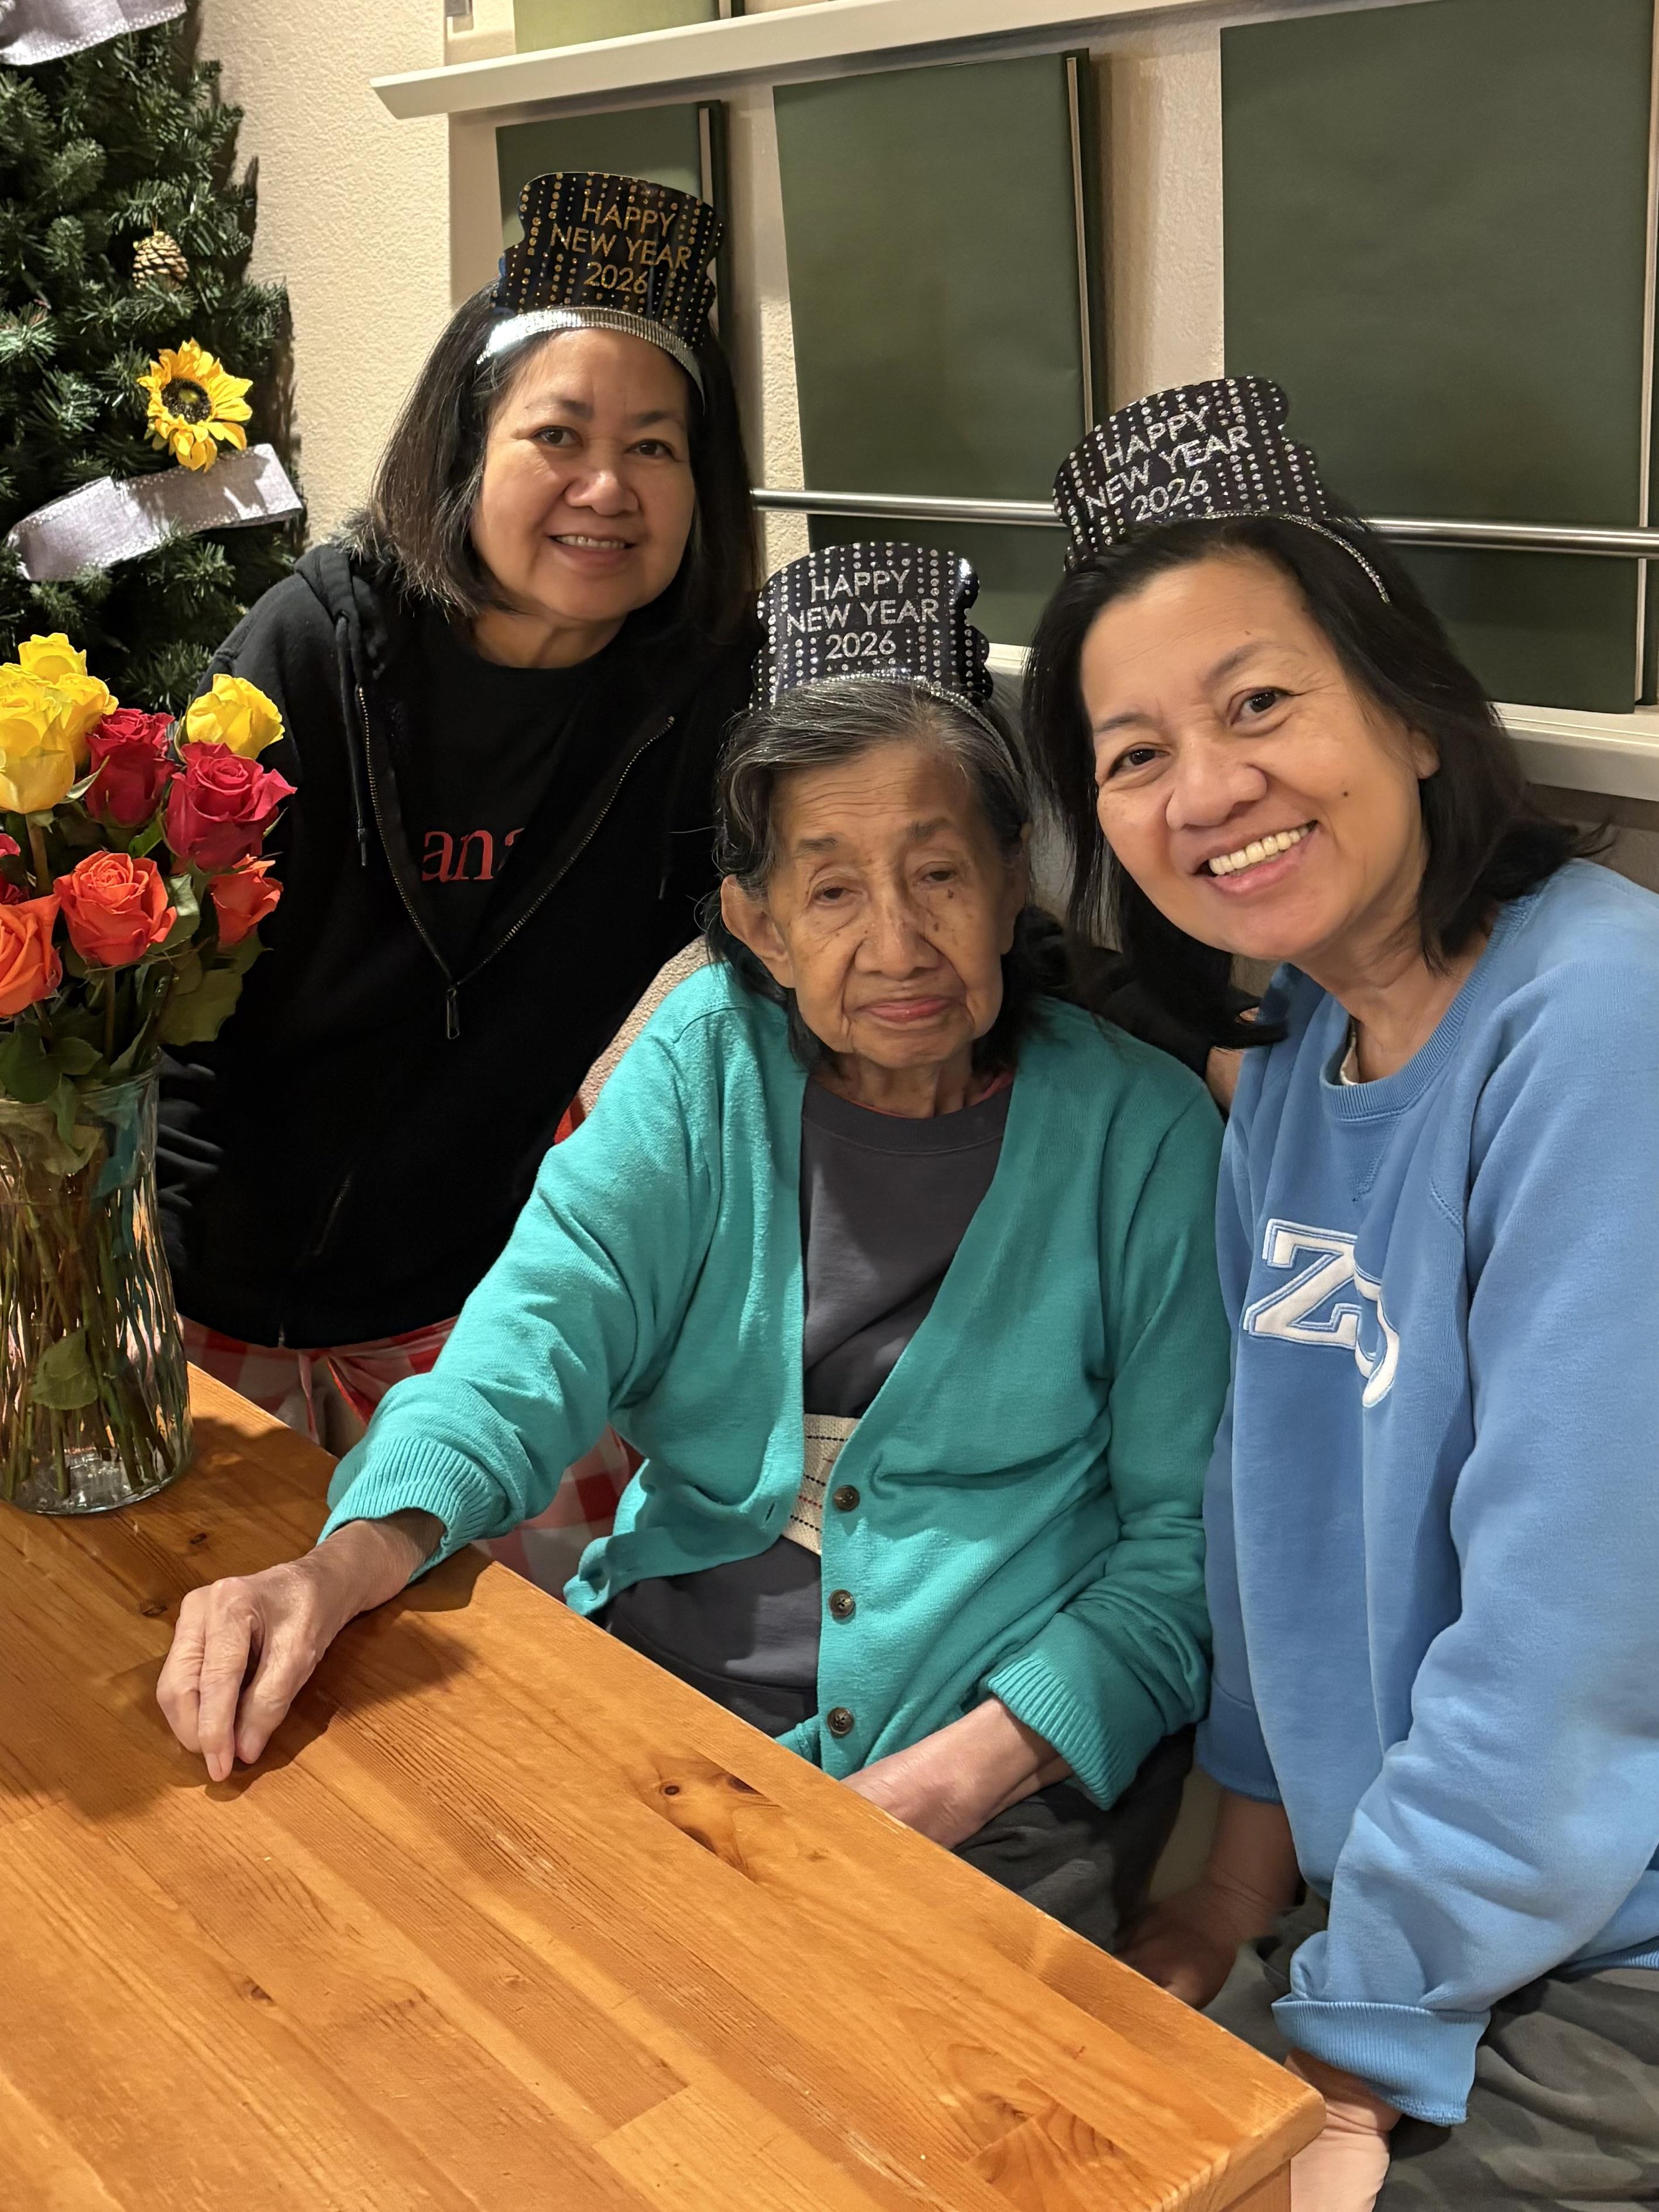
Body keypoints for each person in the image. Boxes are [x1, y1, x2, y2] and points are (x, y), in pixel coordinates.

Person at [157, 540, 1229, 1946]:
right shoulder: (698, 1072)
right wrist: (334, 1565)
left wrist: (957, 1776)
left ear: (1010, 882)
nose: (897, 942)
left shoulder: (1139, 1133)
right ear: (756, 923)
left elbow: (1178, 1556)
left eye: (938, 872)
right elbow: (525, 1355)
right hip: (667, 1711)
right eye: (831, 888)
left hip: (995, 1778)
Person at [1022, 377, 1659, 2207]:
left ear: (1409, 711)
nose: (1203, 789)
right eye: (1129, 752)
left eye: (1256, 704)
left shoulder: (1595, 1021)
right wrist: (1228, 1901)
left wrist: (1345, 2037)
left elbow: (1571, 1646)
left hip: (1607, 1944)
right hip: (1405, 1908)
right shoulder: (1295, 1062)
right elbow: (1267, 1523)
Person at [159, 170, 758, 1528]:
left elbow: (896, 876)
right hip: (216, 1301)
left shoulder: (714, 699)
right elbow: (166, 995)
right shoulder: (308, 653)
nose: (606, 489)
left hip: (490, 1329)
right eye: (558, 433)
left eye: (657, 447)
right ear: (465, 445)